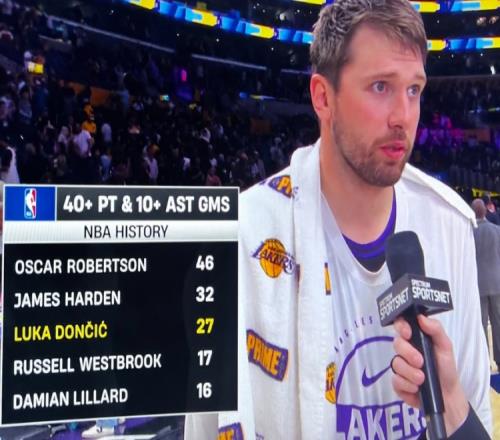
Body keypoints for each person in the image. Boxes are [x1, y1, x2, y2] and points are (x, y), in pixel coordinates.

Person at [185, 0, 491, 438]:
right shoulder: (245, 238)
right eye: (381, 86)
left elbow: (474, 410)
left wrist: (452, 402)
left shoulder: (450, 223)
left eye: (414, 90)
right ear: (323, 97)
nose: (403, 117)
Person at [472, 198, 500, 372]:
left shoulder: (470, 233)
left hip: (479, 285)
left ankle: (484, 363)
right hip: (497, 282)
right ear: (485, 211)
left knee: (481, 324)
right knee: (498, 322)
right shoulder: (497, 230)